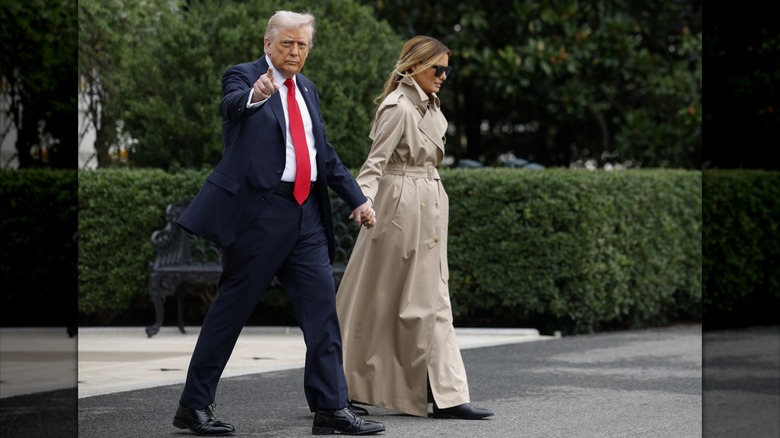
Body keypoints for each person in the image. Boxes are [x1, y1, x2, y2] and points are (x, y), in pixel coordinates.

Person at [171, 10, 385, 436]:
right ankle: (193, 407)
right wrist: (256, 94)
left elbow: (322, 152)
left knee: (323, 311)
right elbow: (232, 107)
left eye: (303, 45)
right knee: (230, 312)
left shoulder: (307, 88)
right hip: (259, 216)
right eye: (287, 43)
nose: (295, 51)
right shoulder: (244, 76)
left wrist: (358, 199)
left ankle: (330, 408)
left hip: (305, 216)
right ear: (268, 44)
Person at [335, 36, 494, 420]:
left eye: (446, 69)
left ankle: (449, 393)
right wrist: (364, 200)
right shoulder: (398, 107)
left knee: (434, 295)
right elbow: (376, 163)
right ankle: (343, 385)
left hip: (429, 202)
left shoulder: (428, 105)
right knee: (381, 299)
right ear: (413, 67)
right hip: (399, 207)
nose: (442, 76)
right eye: (436, 68)